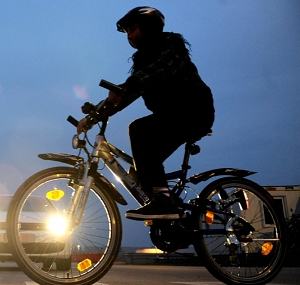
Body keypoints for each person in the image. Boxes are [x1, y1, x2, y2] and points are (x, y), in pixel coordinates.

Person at [77, 6, 215, 220]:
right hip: (170, 116)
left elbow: (160, 70)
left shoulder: (172, 46)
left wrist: (127, 88)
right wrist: (93, 117)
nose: (129, 36)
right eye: (127, 33)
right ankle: (167, 209)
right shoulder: (142, 61)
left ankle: (163, 201)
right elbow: (126, 95)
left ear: (150, 27)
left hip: (194, 110)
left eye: (133, 29)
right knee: (141, 170)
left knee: (139, 129)